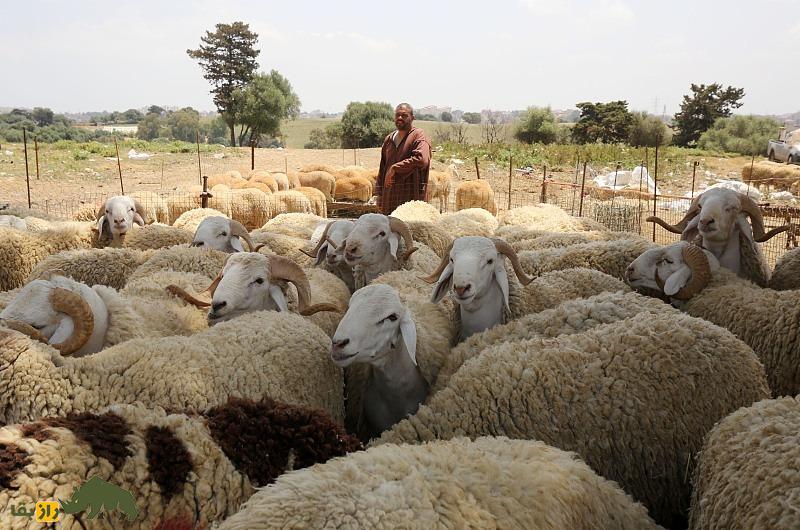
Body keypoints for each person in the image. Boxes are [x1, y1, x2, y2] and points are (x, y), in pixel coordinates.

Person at [373, 103, 432, 215]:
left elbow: (422, 159)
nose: (400, 118)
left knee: (410, 230)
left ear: (412, 118)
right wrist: (379, 194)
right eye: (397, 115)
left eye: (404, 115)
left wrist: (395, 168)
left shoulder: (418, 136)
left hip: (411, 200)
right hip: (389, 199)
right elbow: (382, 169)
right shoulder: (389, 140)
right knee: (389, 230)